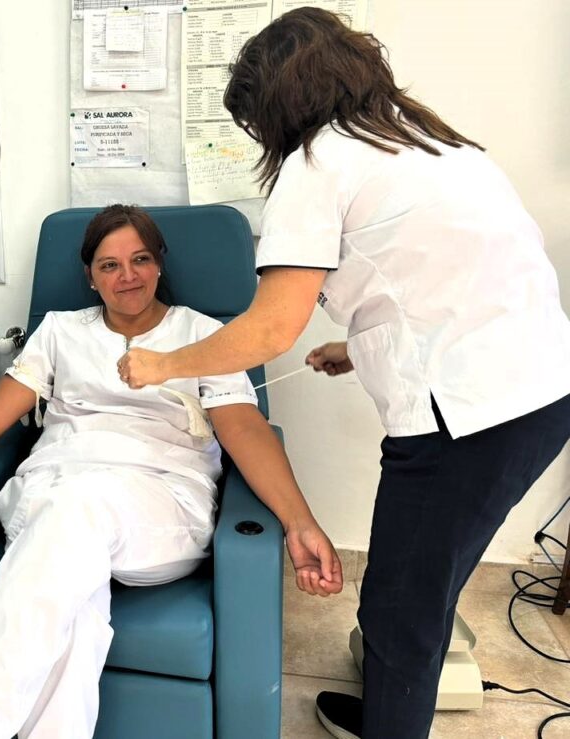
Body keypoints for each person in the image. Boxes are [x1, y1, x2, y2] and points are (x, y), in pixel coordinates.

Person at [117, 9, 570, 739]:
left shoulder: (320, 162)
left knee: (401, 605)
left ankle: (393, 721)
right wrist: (356, 348)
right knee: (422, 586)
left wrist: (163, 363)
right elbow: (451, 283)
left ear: (280, 102)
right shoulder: (430, 142)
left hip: (471, 417)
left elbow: (270, 329)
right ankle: (391, 706)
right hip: (539, 392)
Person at [0, 204, 344, 739]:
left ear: (159, 263)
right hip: (50, 491)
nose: (127, 276)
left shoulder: (204, 335)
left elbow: (247, 432)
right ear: (89, 276)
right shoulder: (59, 332)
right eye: (109, 265)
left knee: (78, 514)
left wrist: (300, 523)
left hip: (160, 508)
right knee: (73, 601)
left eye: (140, 259)